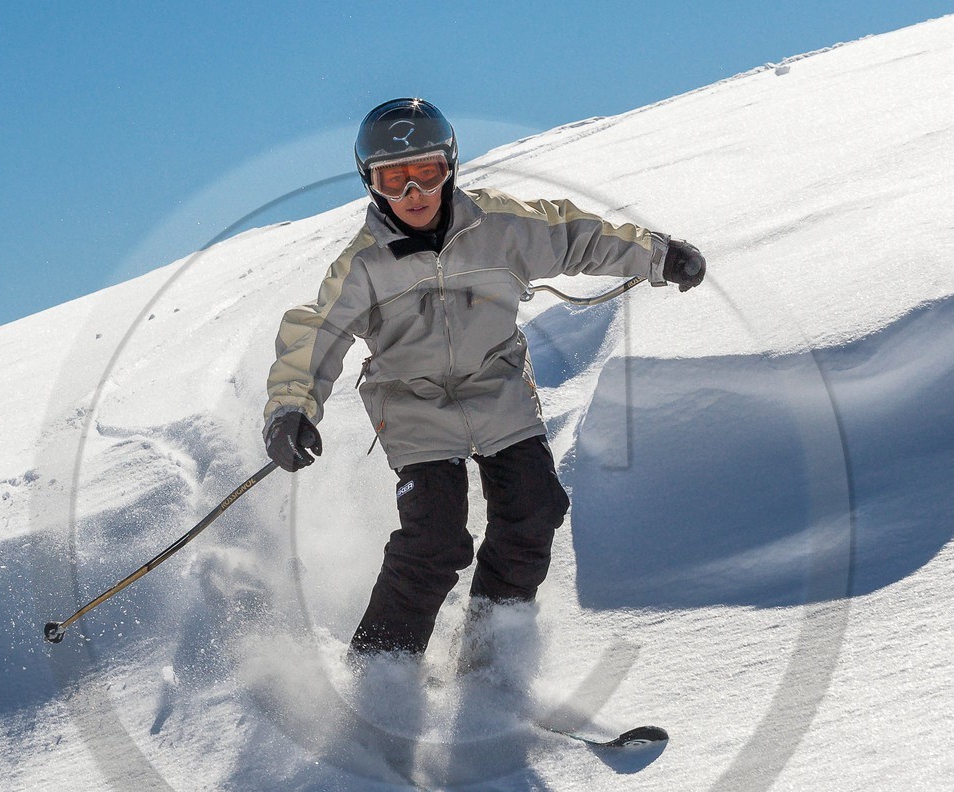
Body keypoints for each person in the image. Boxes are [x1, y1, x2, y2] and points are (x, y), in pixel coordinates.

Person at [262, 98, 705, 667]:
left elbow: (578, 237)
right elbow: (315, 334)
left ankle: (487, 654)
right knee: (436, 543)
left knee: (534, 511)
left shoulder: (500, 227)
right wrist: (291, 409)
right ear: (371, 184)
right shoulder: (365, 264)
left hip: (498, 390)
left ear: (450, 166)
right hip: (414, 409)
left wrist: (658, 256)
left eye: (427, 173)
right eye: (395, 180)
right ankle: (379, 672)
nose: (414, 194)